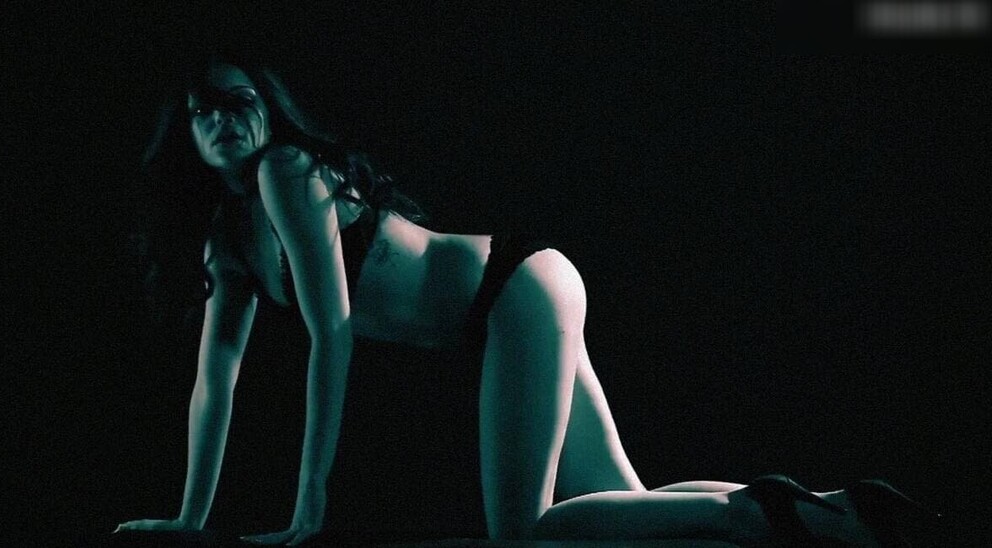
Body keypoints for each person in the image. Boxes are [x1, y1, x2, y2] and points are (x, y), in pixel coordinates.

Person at [114, 55, 935, 546]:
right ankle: (833, 511)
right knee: (632, 513)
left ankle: (757, 512)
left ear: (267, 111)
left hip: (511, 290)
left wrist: (310, 504)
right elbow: (214, 382)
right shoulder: (228, 241)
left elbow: (332, 331)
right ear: (185, 134)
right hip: (518, 297)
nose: (223, 119)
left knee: (526, 532)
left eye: (239, 101)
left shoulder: (285, 172)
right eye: (203, 111)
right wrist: (189, 521)